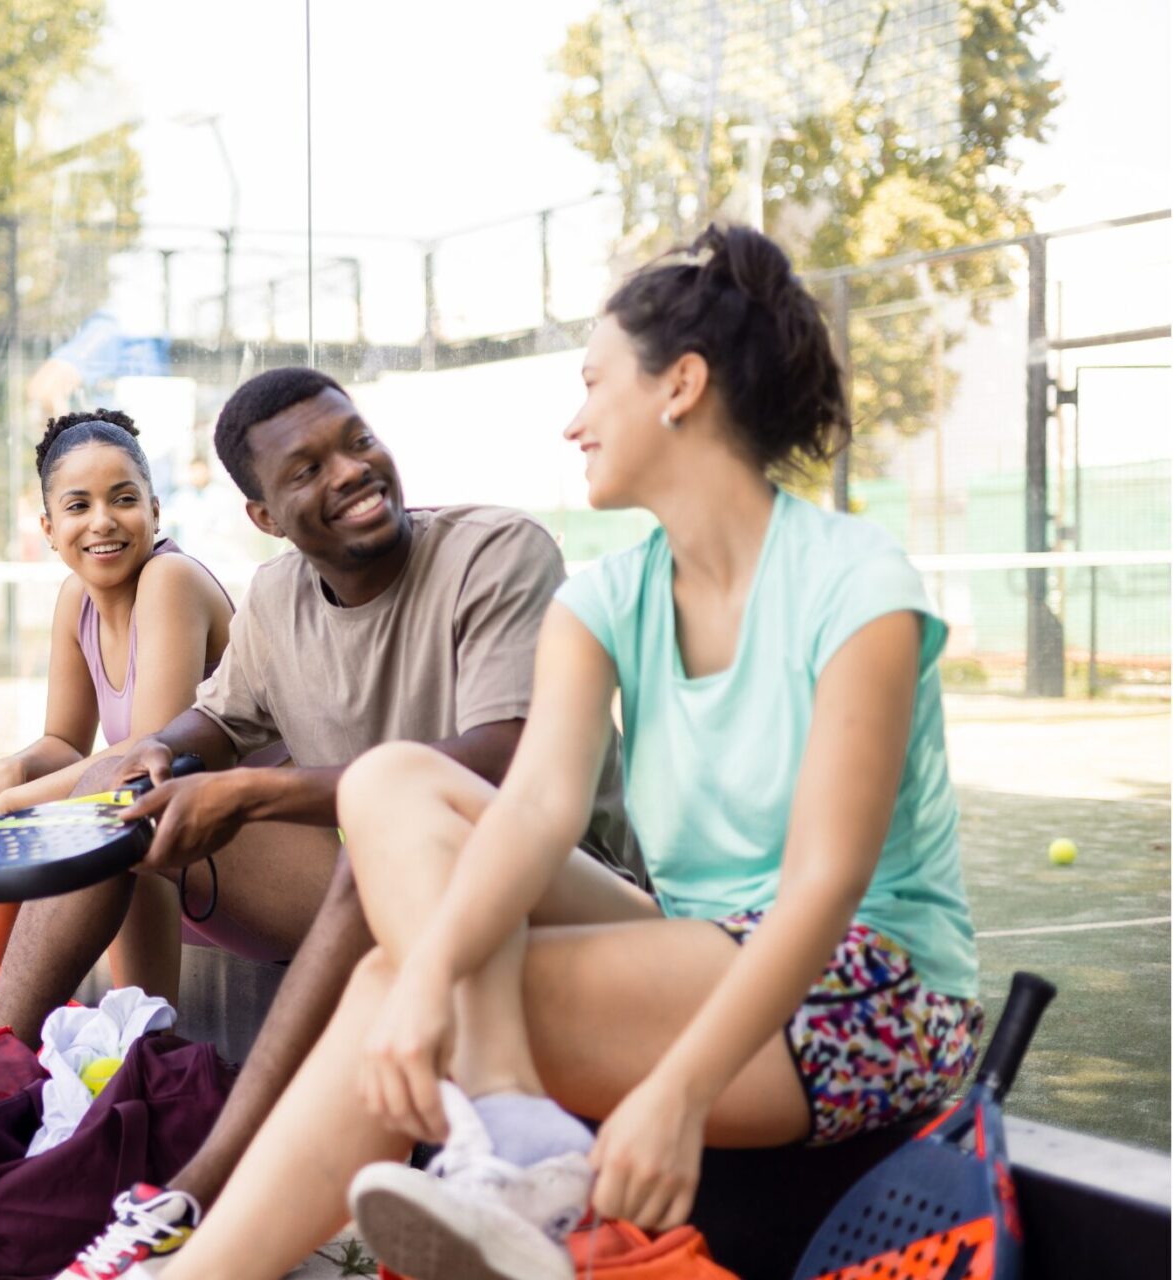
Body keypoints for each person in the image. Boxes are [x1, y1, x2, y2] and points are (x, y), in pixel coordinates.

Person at [143, 225, 981, 1280]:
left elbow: (826, 881)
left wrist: (679, 1091)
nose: (573, 419)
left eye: (594, 384)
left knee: (383, 991)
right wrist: (425, 974)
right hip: (692, 935)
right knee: (391, 785)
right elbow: (532, 817)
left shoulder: (856, 583)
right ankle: (510, 1135)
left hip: (872, 984)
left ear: (680, 385)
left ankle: (237, 1252)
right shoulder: (606, 601)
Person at [11, 368, 638, 1279]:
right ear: (264, 515)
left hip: (550, 891)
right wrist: (160, 752)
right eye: (305, 469)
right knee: (126, 801)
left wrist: (257, 795)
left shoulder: (499, 552)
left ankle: (195, 1189)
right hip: (389, 894)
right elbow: (220, 720)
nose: (349, 471)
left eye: (356, 441)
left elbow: (509, 766)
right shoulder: (276, 599)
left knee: (381, 810)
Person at [0, 409, 255, 996]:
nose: (102, 522)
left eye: (122, 500)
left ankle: (144, 1051)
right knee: (2, 794)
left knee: (127, 819)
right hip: (194, 855)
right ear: (47, 527)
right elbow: (64, 743)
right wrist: (9, 775)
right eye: (77, 506)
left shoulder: (171, 581)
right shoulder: (77, 599)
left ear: (155, 510)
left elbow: (144, 763)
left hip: (254, 855)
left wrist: (16, 803)